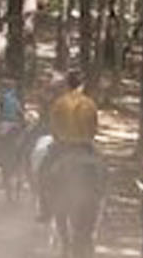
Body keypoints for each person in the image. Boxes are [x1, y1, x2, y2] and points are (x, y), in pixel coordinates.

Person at [36, 69, 99, 220]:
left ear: (67, 85)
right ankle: (101, 200)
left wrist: (59, 137)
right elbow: (93, 127)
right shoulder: (90, 103)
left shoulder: (59, 103)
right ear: (82, 85)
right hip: (85, 146)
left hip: (64, 146)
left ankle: (45, 209)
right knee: (102, 168)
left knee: (43, 169)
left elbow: (54, 126)